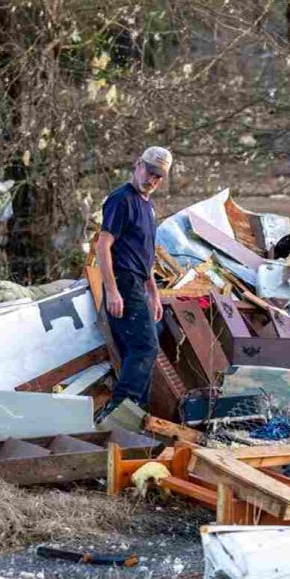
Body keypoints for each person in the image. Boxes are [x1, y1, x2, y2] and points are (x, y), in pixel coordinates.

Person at [96, 146, 172, 418]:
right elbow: (103, 246)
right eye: (150, 172)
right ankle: (118, 413)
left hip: (139, 283)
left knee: (141, 349)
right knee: (145, 347)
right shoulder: (121, 199)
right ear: (138, 165)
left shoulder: (147, 206)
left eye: (158, 177)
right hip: (123, 282)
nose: (152, 180)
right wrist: (112, 290)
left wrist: (154, 294)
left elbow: (145, 256)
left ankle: (137, 413)